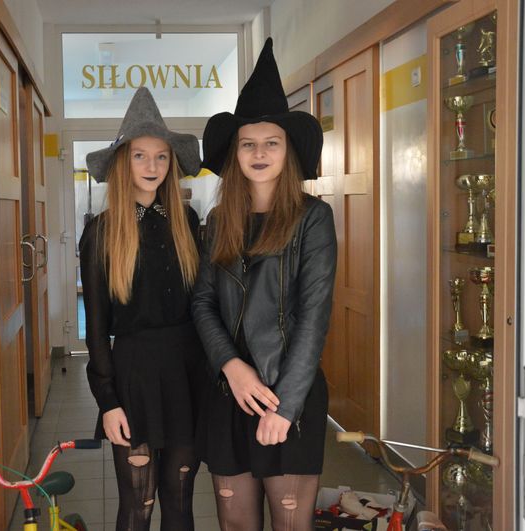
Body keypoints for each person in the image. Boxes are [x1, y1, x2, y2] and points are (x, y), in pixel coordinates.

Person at [192, 38, 338, 530]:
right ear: (234, 153)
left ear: (288, 150)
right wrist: (231, 367)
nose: (259, 152)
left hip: (286, 398)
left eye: (271, 142)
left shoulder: (313, 219)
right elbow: (203, 303)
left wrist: (286, 406)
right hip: (229, 395)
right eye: (247, 143)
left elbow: (314, 318)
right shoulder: (218, 221)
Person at [79, 87, 206, 530]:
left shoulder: (187, 222)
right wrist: (108, 401)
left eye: (161, 157)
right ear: (123, 162)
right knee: (139, 504)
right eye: (140, 156)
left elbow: (203, 305)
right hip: (133, 377)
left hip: (187, 373)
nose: (152, 166)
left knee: (180, 499)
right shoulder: (101, 232)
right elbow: (97, 327)